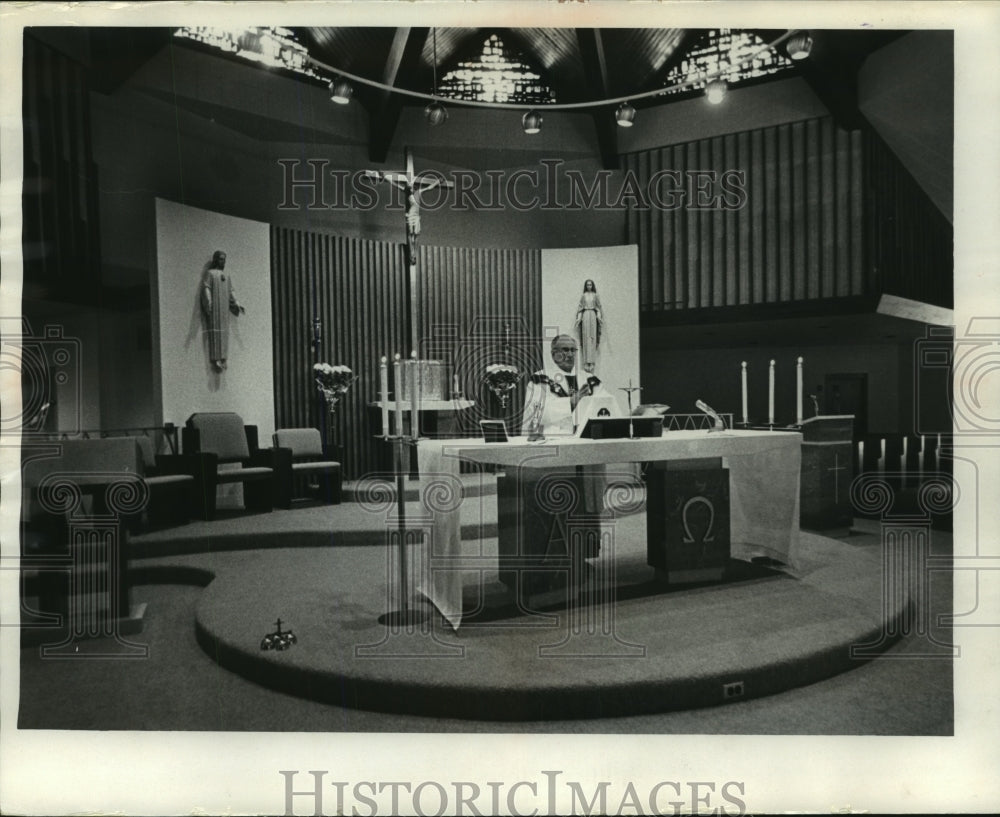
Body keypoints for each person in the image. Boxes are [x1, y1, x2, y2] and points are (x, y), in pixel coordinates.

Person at [200, 250, 245, 372]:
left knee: (224, 332)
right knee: (216, 332)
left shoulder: (227, 275)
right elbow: (206, 288)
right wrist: (209, 302)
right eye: (221, 259)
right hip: (215, 308)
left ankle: (224, 357)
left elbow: (231, 291)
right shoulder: (210, 274)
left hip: (224, 308)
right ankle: (216, 358)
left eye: (224, 259)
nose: (223, 262)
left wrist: (237, 303)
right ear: (215, 260)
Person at [574, 279, 603, 374]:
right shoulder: (584, 296)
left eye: (590, 285)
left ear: (592, 286)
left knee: (592, 338)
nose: (589, 286)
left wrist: (599, 317)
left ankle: (592, 362)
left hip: (593, 316)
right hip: (586, 315)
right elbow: (580, 308)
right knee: (586, 338)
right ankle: (586, 362)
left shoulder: (595, 296)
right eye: (587, 285)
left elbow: (598, 308)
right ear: (585, 286)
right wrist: (579, 318)